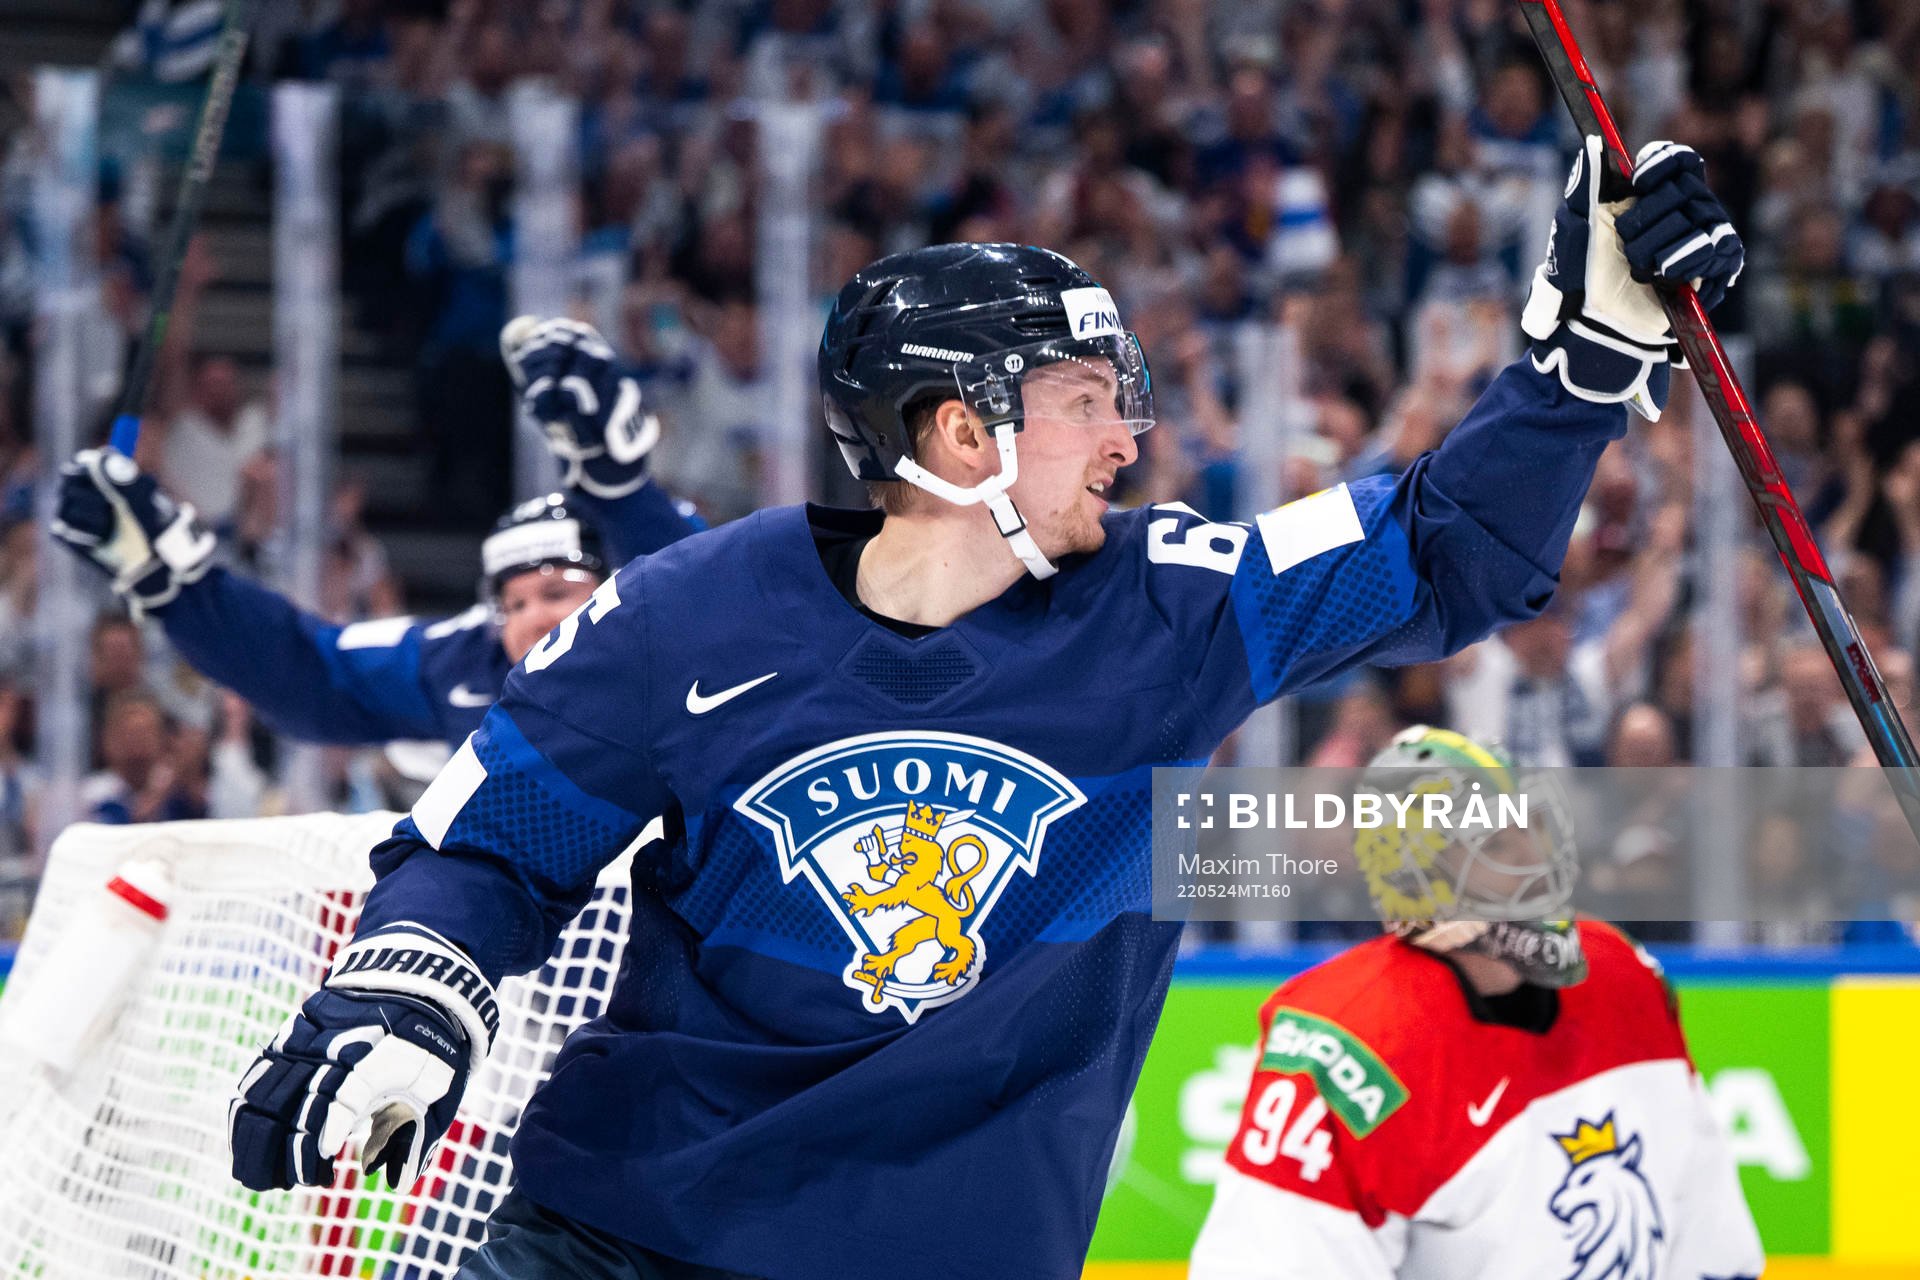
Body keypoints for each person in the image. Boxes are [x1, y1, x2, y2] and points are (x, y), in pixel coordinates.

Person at [225, 136, 1746, 1280]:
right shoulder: (691, 608)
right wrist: (407, 987)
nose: (1126, 434)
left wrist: (1579, 364)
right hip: (625, 1233)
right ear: (961, 431)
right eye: (1086, 397)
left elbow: (1443, 551)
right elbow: (496, 843)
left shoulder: (1179, 603)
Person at [1188, 726, 1764, 1280]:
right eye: (1495, 842)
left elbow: (1708, 1242)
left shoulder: (1621, 975)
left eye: (1533, 826)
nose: (1535, 857)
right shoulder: (1347, 1046)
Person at [50, 318, 699, 752]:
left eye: (557, 591)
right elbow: (309, 672)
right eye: (515, 602)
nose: (532, 619)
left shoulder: (678, 643)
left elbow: (706, 604)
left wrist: (622, 490)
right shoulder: (466, 660)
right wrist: (178, 588)